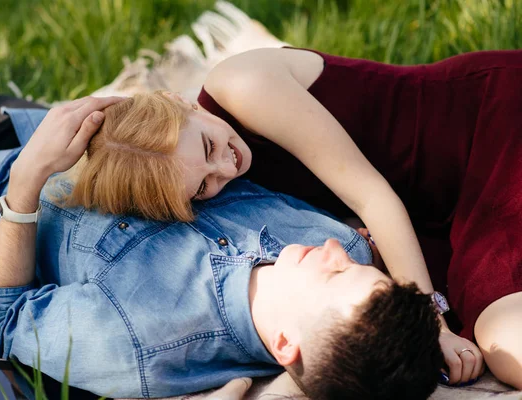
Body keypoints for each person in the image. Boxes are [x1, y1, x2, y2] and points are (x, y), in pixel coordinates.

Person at [41, 47, 522, 388]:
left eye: (208, 146)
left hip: (486, 135)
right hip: (433, 218)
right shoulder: (199, 185)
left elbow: (373, 196)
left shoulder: (244, 84)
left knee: (500, 339)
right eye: (203, 185)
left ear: (180, 103)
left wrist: (432, 320)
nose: (225, 168)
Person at [0, 93, 443, 399]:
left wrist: (28, 175)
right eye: (355, 265)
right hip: (54, 121)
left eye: (334, 272)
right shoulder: (337, 246)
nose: (336, 247)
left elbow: (1, 321)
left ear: (287, 344)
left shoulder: (143, 339)